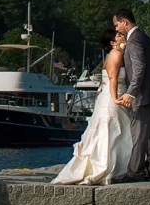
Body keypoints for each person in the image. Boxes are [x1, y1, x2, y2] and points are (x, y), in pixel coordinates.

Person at [53, 27, 137, 185]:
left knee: (114, 130)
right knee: (112, 130)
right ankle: (109, 167)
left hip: (109, 96)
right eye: (119, 36)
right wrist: (116, 98)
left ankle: (118, 166)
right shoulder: (116, 54)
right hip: (112, 97)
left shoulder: (116, 54)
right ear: (113, 42)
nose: (123, 36)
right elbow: (112, 79)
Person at [113, 8, 150, 182]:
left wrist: (131, 93)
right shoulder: (143, 37)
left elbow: (139, 69)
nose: (116, 29)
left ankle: (135, 173)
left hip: (143, 95)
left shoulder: (135, 40)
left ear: (125, 22)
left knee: (139, 136)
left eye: (117, 24)